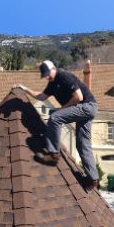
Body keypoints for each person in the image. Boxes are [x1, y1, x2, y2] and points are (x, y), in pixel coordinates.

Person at [19, 60, 99, 190]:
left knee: (55, 117)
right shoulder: (52, 84)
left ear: (53, 68)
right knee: (82, 144)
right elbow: (41, 96)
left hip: (87, 106)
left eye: (47, 74)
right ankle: (92, 179)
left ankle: (53, 154)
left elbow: (78, 97)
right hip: (86, 109)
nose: (47, 77)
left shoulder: (64, 76)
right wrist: (24, 89)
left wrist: (62, 109)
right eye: (44, 75)